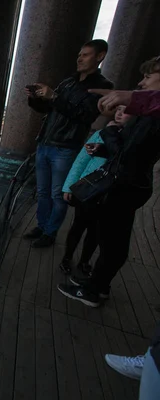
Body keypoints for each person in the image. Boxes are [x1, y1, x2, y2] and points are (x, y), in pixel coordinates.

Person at [58, 55, 160, 308]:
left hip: (124, 186)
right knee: (111, 239)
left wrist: (111, 131)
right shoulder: (148, 116)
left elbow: (128, 153)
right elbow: (129, 152)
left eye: (148, 76)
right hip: (132, 183)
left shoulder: (151, 118)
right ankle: (98, 284)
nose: (141, 81)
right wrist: (103, 149)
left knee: (111, 242)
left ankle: (94, 290)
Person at [23, 39, 114, 248]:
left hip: (65, 148)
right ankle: (41, 225)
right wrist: (36, 98)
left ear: (100, 56)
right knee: (43, 191)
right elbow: (49, 110)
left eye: (85, 54)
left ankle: (50, 232)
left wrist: (54, 96)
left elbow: (85, 116)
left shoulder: (103, 87)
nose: (79, 58)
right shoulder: (68, 82)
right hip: (45, 143)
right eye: (79, 54)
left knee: (58, 193)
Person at [59, 106, 132, 276]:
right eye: (118, 109)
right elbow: (80, 161)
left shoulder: (130, 138)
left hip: (108, 193)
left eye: (126, 110)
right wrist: (69, 186)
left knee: (96, 231)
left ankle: (84, 261)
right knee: (78, 226)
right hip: (88, 189)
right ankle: (67, 258)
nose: (119, 113)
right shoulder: (100, 133)